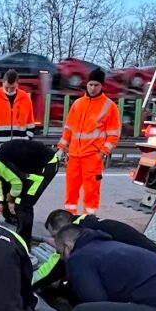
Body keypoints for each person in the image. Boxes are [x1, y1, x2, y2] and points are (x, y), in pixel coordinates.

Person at [0, 139, 59, 242]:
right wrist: (1, 202)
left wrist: (11, 200)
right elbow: (2, 180)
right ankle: (17, 224)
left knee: (24, 204)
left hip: (46, 165)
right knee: (18, 200)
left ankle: (24, 240)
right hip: (32, 164)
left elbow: (17, 183)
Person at [57, 68, 121, 215]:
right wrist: (62, 148)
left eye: (96, 85)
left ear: (102, 86)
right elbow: (69, 128)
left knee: (91, 192)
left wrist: (102, 152)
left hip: (92, 157)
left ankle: (88, 220)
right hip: (74, 156)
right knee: (71, 190)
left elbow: (114, 134)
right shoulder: (78, 104)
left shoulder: (109, 106)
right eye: (91, 84)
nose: (93, 88)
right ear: (86, 84)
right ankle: (69, 218)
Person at [0, 69, 38, 218]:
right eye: (7, 87)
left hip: (17, 149)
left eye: (12, 87)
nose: (10, 90)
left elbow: (30, 123)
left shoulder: (25, 98)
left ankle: (10, 212)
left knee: (15, 179)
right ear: (3, 83)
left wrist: (27, 141)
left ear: (18, 84)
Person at [44, 209, 156, 262]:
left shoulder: (82, 233)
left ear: (63, 228)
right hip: (155, 259)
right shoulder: (86, 222)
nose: (57, 240)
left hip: (154, 264)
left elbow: (58, 267)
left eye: (56, 236)